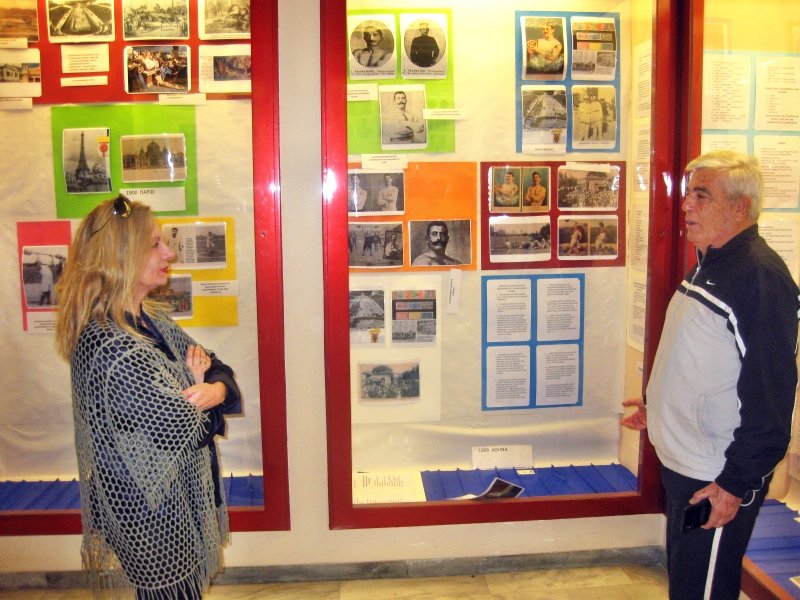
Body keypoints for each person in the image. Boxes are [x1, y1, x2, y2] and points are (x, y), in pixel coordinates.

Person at [621, 151, 799, 600]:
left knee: (703, 590)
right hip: (689, 466)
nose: (686, 205)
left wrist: (733, 485)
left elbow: (772, 398)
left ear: (740, 207)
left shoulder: (759, 278)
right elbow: (704, 358)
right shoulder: (713, 262)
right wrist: (658, 405)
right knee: (688, 583)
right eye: (689, 194)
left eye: (701, 196)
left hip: (716, 474)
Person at [54, 195, 240, 600]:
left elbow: (216, 367)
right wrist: (200, 391)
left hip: (177, 497)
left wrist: (213, 389)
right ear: (121, 256)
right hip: (147, 511)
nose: (169, 253)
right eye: (155, 244)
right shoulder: (111, 345)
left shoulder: (149, 318)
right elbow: (181, 428)